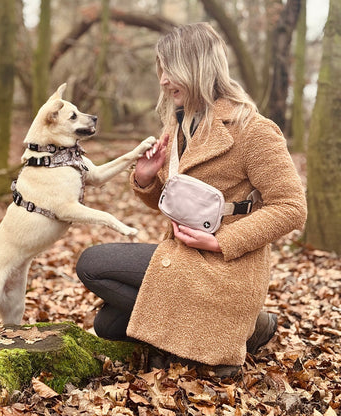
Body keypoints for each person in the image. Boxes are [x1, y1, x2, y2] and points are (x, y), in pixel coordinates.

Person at [76, 22, 307, 377]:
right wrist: (146, 178)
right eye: (161, 71)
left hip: (224, 267)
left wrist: (221, 241)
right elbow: (181, 202)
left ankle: (227, 330)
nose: (163, 81)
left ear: (197, 67)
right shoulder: (180, 126)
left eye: (170, 69)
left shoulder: (253, 130)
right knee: (107, 324)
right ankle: (245, 325)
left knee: (92, 263)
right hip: (185, 255)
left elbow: (291, 207)